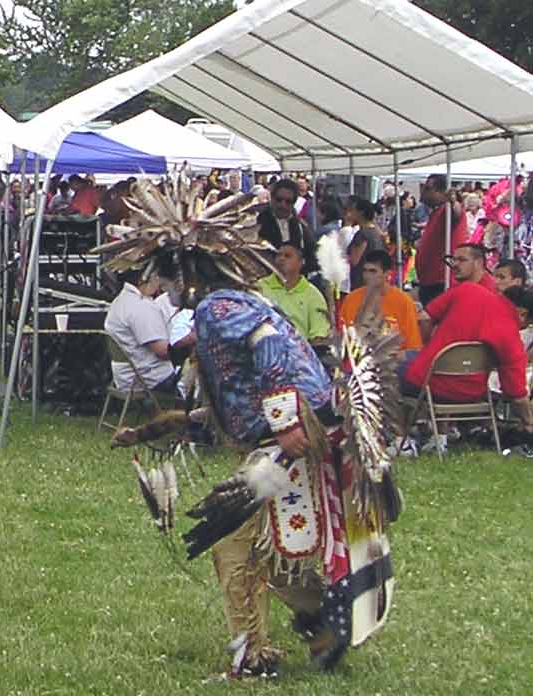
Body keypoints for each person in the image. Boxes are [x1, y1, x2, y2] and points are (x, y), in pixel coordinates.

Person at [102, 181, 402, 679]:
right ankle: (323, 619)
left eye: (166, 275)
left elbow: (269, 348)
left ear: (185, 271)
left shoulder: (220, 309)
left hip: (295, 436)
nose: (165, 287)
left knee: (234, 543)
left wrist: (285, 424)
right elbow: (233, 396)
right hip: (304, 432)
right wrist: (160, 428)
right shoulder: (230, 305)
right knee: (270, 546)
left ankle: (258, 652)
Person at [404, 243, 529, 413]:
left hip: (428, 382)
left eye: (461, 260)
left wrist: (427, 346)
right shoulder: (509, 331)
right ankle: (439, 437)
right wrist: (528, 422)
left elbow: (424, 318)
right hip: (472, 391)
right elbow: (516, 388)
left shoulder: (467, 290)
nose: (455, 264)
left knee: (382, 364)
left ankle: (397, 435)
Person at [104, 269, 179, 399]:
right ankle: (201, 416)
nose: (159, 281)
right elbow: (163, 352)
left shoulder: (120, 301)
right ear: (142, 280)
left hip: (126, 376)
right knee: (202, 374)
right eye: (156, 276)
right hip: (148, 379)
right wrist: (191, 345)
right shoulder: (140, 306)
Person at [336, 251, 422, 352]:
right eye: (365, 271)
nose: (367, 276)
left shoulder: (404, 302)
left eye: (373, 271)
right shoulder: (351, 299)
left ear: (387, 274)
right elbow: (341, 337)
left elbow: (413, 346)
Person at [257, 242, 332, 351]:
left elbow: (318, 336)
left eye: (287, 256)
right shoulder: (259, 287)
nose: (281, 259)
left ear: (301, 262)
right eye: (278, 255)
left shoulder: (312, 294)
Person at [414, 174, 466, 305]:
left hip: (441, 281)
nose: (423, 192)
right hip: (429, 280)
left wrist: (453, 202)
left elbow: (457, 212)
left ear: (440, 192)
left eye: (428, 188)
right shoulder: (436, 212)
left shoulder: (447, 210)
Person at [258, 178, 316, 270]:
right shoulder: (257, 222)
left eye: (288, 201)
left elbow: (311, 257)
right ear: (271, 198)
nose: (283, 205)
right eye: (279, 200)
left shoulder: (301, 227)